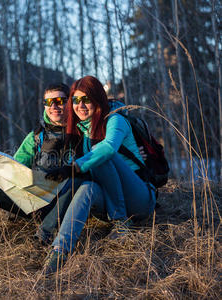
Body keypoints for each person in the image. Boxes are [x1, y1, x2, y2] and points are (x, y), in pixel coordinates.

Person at [0, 83, 103, 268]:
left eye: (60, 101)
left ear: (70, 103)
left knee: (77, 179)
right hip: (33, 202)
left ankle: (43, 239)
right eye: (48, 102)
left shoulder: (84, 133)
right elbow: (12, 170)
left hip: (65, 206)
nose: (54, 106)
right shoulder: (35, 137)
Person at [42, 75, 156, 274]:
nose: (81, 105)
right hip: (109, 196)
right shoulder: (79, 130)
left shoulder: (115, 119)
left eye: (87, 99)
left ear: (98, 99)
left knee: (103, 155)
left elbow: (109, 148)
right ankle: (59, 251)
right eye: (76, 100)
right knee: (87, 188)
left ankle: (122, 224)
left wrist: (75, 167)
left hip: (138, 197)